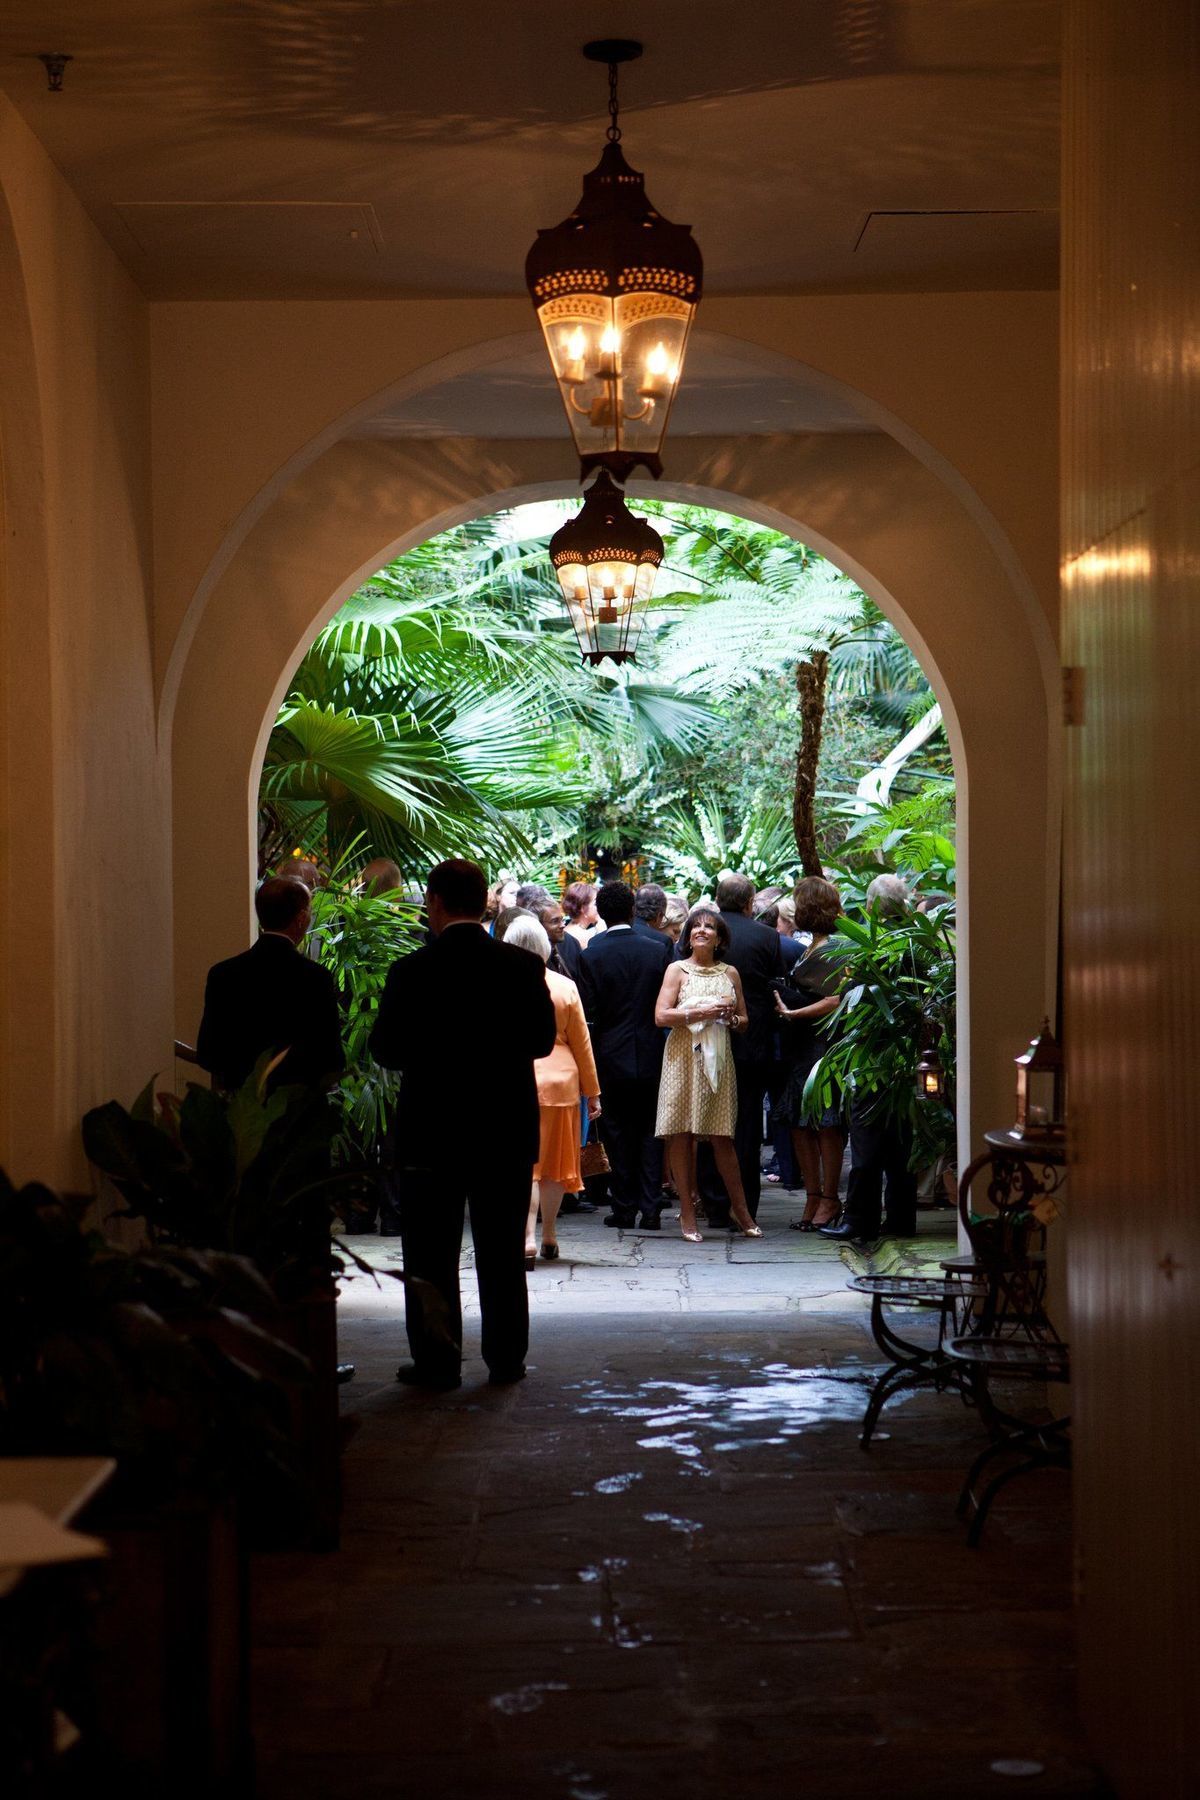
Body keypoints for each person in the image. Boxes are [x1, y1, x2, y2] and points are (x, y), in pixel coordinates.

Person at [370, 858, 556, 1389]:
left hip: (432, 1130)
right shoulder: (522, 967)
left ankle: (437, 1360)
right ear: (485, 904)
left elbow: (385, 1050)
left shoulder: (411, 971)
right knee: (500, 1251)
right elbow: (541, 1042)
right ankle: (506, 1359)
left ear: (433, 903)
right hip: (503, 1128)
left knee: (429, 1253)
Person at [820, 873, 919, 1245]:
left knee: (864, 1141)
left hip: (873, 1055)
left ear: (872, 906)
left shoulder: (868, 945)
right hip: (905, 1057)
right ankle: (900, 1217)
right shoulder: (918, 943)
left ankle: (859, 1218)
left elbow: (851, 1000)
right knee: (900, 1142)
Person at [654, 907, 762, 1242]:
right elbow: (661, 1016)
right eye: (696, 926)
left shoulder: (730, 973)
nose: (702, 930)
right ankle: (688, 1211)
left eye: (709, 926)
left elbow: (744, 1021)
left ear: (719, 937)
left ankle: (742, 1212)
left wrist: (728, 1017)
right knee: (681, 1134)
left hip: (718, 1058)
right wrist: (699, 1011)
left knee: (722, 1138)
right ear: (687, 936)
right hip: (682, 1057)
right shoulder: (677, 970)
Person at [684, 872, 784, 1225]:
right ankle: (745, 1205)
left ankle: (713, 1204)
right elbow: (775, 985)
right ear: (749, 902)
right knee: (745, 1128)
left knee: (709, 1122)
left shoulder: (699, 932)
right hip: (749, 1043)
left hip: (705, 1043)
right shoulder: (767, 936)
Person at [503, 913, 601, 1265]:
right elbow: (582, 1043)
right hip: (561, 1084)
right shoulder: (564, 986)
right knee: (555, 1167)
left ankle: (525, 1236)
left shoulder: (498, 986)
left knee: (525, 1166)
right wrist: (593, 1092)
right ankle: (549, 1235)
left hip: (514, 1082)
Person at [577, 881, 673, 1230]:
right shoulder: (659, 947)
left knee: (616, 1132)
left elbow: (590, 1014)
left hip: (610, 1056)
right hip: (652, 1052)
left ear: (600, 913)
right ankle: (650, 1210)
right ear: (632, 910)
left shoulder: (591, 955)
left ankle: (623, 1207)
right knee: (651, 1131)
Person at [197, 875, 345, 1094]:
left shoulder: (223, 974)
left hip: (240, 1109)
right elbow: (331, 1058)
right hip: (298, 1111)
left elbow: (208, 1053)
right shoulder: (315, 978)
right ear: (301, 919)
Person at [773, 877, 846, 1231]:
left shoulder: (836, 947)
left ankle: (830, 1198)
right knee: (800, 1125)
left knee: (826, 1125)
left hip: (825, 1046)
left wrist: (793, 1013)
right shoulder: (811, 947)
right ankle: (814, 1196)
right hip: (801, 1046)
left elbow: (837, 1000)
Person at [563, 881, 604, 950]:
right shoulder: (582, 936)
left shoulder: (570, 928)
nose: (600, 906)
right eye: (596, 904)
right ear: (583, 908)